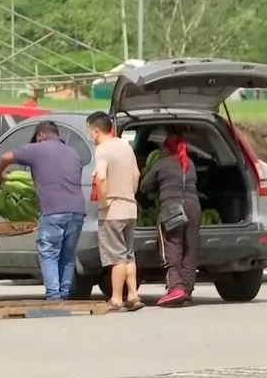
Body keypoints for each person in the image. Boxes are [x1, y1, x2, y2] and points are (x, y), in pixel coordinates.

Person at [0, 121, 85, 300]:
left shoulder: (38, 149)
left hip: (53, 210)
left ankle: (53, 296)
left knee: (49, 252)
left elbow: (6, 157)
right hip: (77, 210)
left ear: (40, 136)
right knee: (67, 256)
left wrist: (0, 175)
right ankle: (63, 296)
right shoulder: (73, 153)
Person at [86, 111, 144, 312]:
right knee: (129, 255)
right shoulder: (125, 146)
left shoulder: (102, 150)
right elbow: (136, 174)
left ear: (95, 131)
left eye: (89, 132)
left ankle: (117, 298)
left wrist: (104, 202)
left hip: (113, 210)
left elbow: (101, 178)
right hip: (130, 208)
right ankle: (134, 296)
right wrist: (130, 194)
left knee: (116, 256)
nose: (90, 137)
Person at [140, 134, 201, 307]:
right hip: (193, 207)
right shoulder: (190, 164)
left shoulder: (161, 163)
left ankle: (175, 287)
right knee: (190, 249)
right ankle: (187, 290)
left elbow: (145, 186)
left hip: (171, 208)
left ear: (165, 149)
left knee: (171, 247)